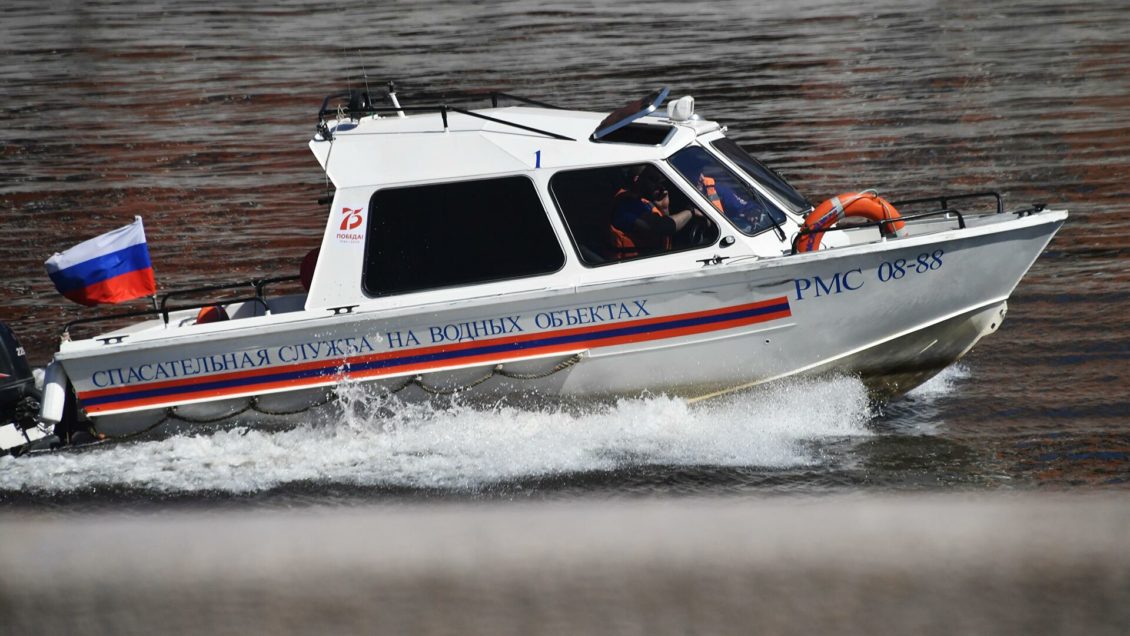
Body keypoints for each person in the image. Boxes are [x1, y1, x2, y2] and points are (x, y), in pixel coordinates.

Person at [609, 165, 702, 259]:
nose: (660, 185)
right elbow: (664, 226)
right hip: (634, 264)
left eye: (660, 180)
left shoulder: (643, 202)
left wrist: (664, 208)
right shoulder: (626, 205)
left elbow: (665, 229)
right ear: (637, 179)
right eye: (654, 179)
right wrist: (691, 211)